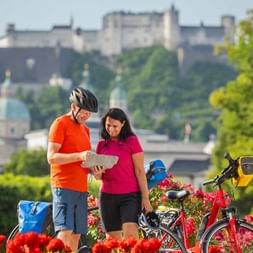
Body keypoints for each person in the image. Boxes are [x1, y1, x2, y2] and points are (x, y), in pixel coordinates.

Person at [47, 87, 100, 252]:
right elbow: (51, 157)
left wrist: (94, 169)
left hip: (81, 189)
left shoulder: (86, 130)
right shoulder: (60, 124)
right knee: (65, 232)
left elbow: (83, 160)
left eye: (89, 113)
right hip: (63, 186)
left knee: (77, 234)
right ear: (73, 107)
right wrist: (80, 155)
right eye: (83, 111)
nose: (86, 116)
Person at [93, 108, 153, 240]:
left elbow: (140, 171)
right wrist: (97, 173)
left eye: (115, 126)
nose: (111, 129)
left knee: (131, 235)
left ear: (123, 124)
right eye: (108, 125)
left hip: (130, 196)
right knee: (112, 239)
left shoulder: (132, 141)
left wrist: (145, 197)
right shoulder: (101, 145)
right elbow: (99, 176)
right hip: (107, 196)